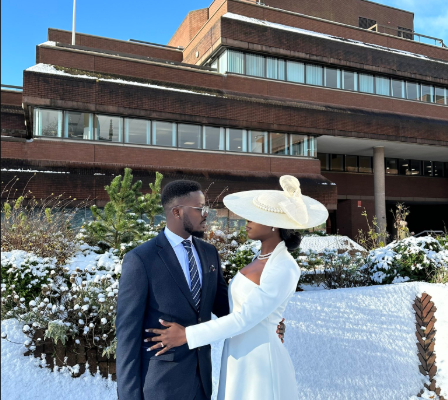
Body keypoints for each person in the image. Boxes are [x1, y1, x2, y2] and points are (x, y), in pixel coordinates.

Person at [145, 175, 329, 400]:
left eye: (255, 217)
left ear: (273, 224)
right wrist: (271, 319)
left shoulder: (285, 267)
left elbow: (245, 318)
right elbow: (236, 307)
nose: (246, 220)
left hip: (260, 361)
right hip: (238, 355)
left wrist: (187, 335)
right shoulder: (259, 259)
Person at [115, 180, 285, 400]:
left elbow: (227, 307)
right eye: (200, 209)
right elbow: (127, 336)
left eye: (207, 208)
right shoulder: (141, 259)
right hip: (160, 386)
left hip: (202, 382)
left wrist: (266, 323)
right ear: (177, 212)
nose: (206, 214)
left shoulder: (208, 253)